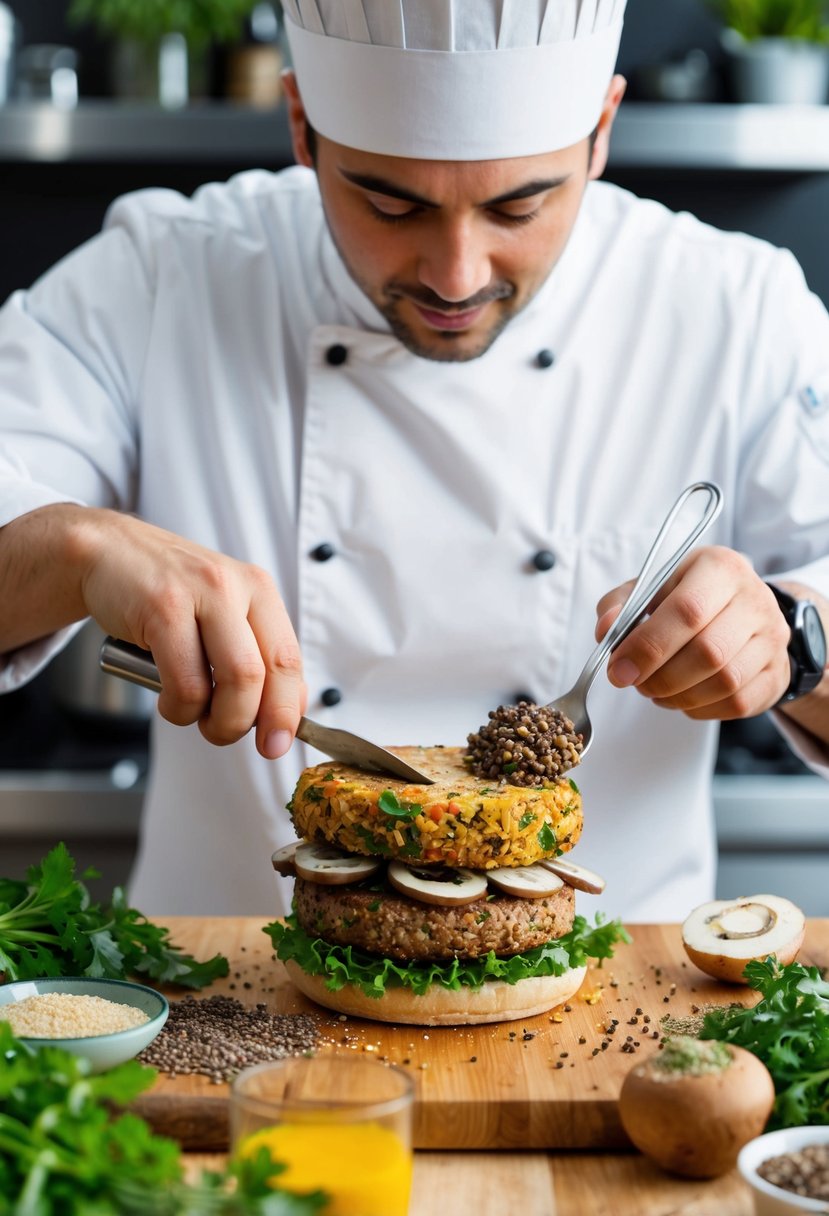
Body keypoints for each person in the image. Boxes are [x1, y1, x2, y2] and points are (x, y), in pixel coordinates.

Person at [0, 0, 827, 920]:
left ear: (600, 130)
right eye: (390, 202)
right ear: (301, 127)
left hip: (615, 1012)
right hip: (226, 995)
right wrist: (77, 549)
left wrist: (793, 645)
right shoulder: (164, 275)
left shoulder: (733, 304)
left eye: (521, 203)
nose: (455, 275)